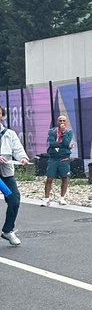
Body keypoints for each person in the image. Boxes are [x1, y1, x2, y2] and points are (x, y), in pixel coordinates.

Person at [0, 106, 31, 247]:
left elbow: (18, 149)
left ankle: (8, 230)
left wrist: (22, 158)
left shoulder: (9, 134)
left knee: (14, 200)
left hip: (5, 173)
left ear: (2, 116)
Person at [42, 114, 74, 206]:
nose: (62, 122)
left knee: (64, 177)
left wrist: (64, 135)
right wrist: (65, 145)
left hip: (63, 158)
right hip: (53, 158)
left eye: (64, 121)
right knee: (49, 178)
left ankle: (62, 198)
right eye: (60, 121)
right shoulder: (52, 131)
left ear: (66, 122)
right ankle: (46, 198)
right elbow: (52, 143)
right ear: (57, 122)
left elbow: (66, 142)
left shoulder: (69, 132)